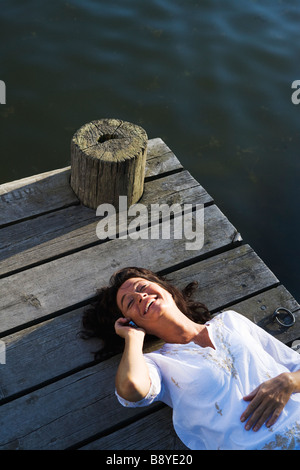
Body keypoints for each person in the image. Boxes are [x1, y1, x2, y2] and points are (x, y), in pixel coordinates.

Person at [82, 267, 300, 450]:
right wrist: (133, 338)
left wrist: (289, 382)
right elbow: (131, 387)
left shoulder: (231, 321)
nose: (140, 296)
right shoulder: (157, 364)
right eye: (129, 303)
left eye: (142, 287)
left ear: (165, 289)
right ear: (131, 322)